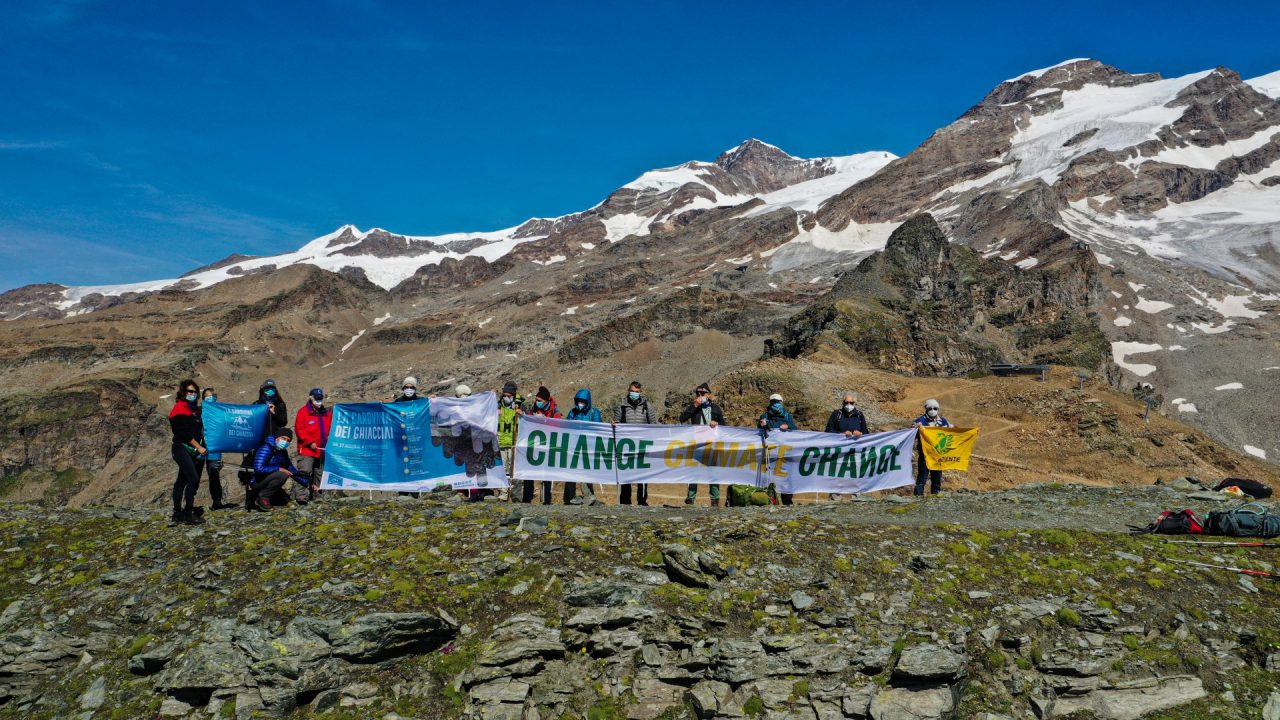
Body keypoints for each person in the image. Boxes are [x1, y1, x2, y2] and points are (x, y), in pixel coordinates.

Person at [168, 379, 207, 525]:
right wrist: (199, 447)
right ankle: (188, 512)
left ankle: (177, 514)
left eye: (195, 392)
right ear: (183, 392)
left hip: (190, 449)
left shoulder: (194, 410)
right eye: (190, 391)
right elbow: (184, 433)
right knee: (193, 478)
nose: (193, 394)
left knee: (182, 480)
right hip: (181, 448)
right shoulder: (179, 409)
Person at [680, 383, 725, 507]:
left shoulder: (716, 408)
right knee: (695, 471)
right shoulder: (694, 408)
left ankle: (715, 500)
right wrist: (695, 405)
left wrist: (717, 423)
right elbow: (682, 418)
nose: (700, 396)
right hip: (697, 444)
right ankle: (690, 498)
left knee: (713, 472)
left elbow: (724, 425)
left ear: (708, 394)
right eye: (698, 394)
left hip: (712, 444)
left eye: (703, 394)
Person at [613, 381, 655, 506]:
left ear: (640, 392)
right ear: (628, 390)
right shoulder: (621, 405)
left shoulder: (648, 406)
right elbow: (617, 421)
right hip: (627, 444)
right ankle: (625, 501)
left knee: (643, 473)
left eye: (636, 392)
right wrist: (615, 424)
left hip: (642, 444)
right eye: (632, 391)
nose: (634, 394)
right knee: (626, 472)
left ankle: (642, 500)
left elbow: (653, 424)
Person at [825, 391, 870, 501]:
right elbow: (828, 431)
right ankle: (836, 495)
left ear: (855, 403)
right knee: (838, 471)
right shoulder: (836, 414)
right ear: (843, 402)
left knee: (855, 471)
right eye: (846, 402)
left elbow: (866, 432)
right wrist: (840, 435)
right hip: (839, 451)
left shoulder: (859, 415)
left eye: (851, 402)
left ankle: (856, 495)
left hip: (855, 451)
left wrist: (861, 434)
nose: (849, 405)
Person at [521, 386, 560, 504]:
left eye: (540, 401)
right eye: (536, 400)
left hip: (548, 446)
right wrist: (523, 414)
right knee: (528, 471)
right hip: (533, 445)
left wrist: (545, 421)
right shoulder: (533, 408)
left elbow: (559, 426)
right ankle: (527, 498)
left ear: (547, 401)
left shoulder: (555, 411)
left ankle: (546, 500)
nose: (537, 402)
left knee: (546, 473)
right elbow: (526, 416)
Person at [249, 428, 304, 511]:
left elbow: (290, 468)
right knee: (282, 475)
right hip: (257, 481)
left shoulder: (282, 451)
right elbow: (258, 468)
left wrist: (306, 481)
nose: (285, 442)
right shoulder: (266, 448)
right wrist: (278, 468)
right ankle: (262, 498)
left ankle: (268, 497)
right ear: (277, 437)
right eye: (283, 438)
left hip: (267, 479)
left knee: (283, 475)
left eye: (288, 440)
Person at [564, 389, 601, 505]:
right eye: (578, 401)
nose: (580, 403)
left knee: (586, 473)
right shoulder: (572, 412)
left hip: (588, 447)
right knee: (571, 473)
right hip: (574, 447)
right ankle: (569, 498)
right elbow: (566, 426)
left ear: (587, 401)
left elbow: (599, 428)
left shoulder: (594, 413)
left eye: (583, 401)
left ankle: (589, 496)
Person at [199, 388, 234, 510]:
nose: (211, 397)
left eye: (213, 395)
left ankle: (217, 501)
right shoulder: (199, 411)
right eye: (208, 396)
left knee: (213, 473)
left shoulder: (220, 411)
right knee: (194, 474)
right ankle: (189, 505)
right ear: (203, 398)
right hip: (199, 446)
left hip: (214, 447)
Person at [759, 393, 797, 505]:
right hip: (770, 452)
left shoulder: (787, 416)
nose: (775, 404)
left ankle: (787, 501)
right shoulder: (764, 416)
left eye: (777, 402)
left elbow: (795, 429)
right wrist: (762, 425)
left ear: (781, 403)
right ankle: (770, 500)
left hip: (785, 451)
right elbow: (760, 430)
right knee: (769, 476)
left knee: (786, 476)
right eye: (773, 402)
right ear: (770, 403)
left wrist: (788, 426)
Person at [294, 388, 331, 501]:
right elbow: (299, 429)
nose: (319, 401)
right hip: (306, 449)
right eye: (317, 399)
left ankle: (318, 496)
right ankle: (302, 497)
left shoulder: (326, 413)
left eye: (320, 399)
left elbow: (330, 429)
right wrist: (310, 442)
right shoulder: (303, 412)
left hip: (321, 449)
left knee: (319, 473)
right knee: (305, 471)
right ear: (311, 398)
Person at [913, 398, 951, 496]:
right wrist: (915, 429)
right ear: (926, 409)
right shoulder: (920, 421)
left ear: (938, 409)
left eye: (935, 408)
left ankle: (935, 497)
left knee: (936, 479)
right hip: (925, 455)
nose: (932, 411)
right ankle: (918, 498)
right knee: (922, 479)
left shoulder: (943, 421)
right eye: (930, 408)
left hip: (937, 455)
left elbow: (952, 433)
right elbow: (913, 435)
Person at [497, 381, 523, 499]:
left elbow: (529, 419)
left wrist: (522, 414)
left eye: (509, 396)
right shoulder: (498, 405)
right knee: (502, 469)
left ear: (513, 395)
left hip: (515, 443)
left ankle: (516, 495)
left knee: (515, 469)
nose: (507, 398)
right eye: (505, 395)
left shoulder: (520, 406)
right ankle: (503, 493)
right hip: (501, 442)